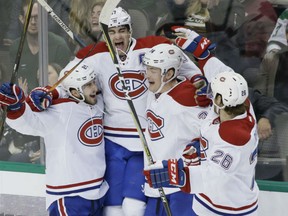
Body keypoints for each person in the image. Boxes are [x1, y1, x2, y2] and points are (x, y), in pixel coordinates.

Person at [73, 6, 204, 216]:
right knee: (112, 208)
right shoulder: (97, 55)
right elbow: (67, 79)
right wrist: (49, 95)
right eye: (112, 31)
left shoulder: (152, 48)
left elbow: (186, 67)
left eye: (122, 30)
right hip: (112, 141)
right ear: (106, 35)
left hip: (143, 142)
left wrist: (199, 83)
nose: (118, 36)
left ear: (130, 30)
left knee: (133, 206)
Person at [0, 60, 108, 215]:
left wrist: (51, 91)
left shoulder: (98, 102)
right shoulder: (60, 112)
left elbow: (65, 85)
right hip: (69, 196)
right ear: (75, 91)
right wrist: (14, 108)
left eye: (93, 82)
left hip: (97, 192)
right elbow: (30, 123)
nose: (94, 88)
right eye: (88, 85)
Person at [144, 71, 259, 216]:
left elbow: (215, 176)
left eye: (213, 93)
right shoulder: (242, 109)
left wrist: (177, 174)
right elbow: (213, 136)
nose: (208, 95)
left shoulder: (234, 137)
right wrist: (199, 147)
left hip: (227, 208)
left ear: (221, 101)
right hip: (209, 202)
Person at [142, 43, 210, 215]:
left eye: (153, 70)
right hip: (157, 185)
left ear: (170, 73)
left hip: (182, 188)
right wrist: (195, 75)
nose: (147, 74)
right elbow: (178, 57)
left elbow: (214, 132)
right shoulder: (152, 92)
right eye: (147, 68)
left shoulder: (188, 97)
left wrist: (199, 147)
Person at [9, 0, 71, 93]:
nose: (33, 22)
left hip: (53, 100)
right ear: (21, 19)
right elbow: (13, 83)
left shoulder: (59, 45)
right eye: (29, 17)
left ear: (44, 17)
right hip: (24, 102)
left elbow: (66, 84)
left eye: (37, 17)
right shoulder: (16, 47)